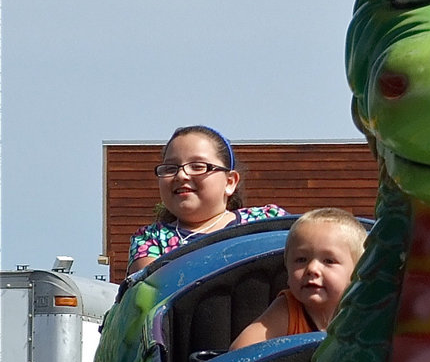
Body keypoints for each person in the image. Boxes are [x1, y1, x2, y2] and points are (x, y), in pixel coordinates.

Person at [127, 124, 287, 274]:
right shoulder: (151, 240)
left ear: (230, 182)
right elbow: (153, 289)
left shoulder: (268, 220)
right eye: (170, 168)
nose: (181, 175)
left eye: (198, 166)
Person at [230, 208, 368, 346]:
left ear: (357, 271)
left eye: (328, 261)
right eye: (301, 260)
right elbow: (241, 350)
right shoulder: (288, 310)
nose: (312, 269)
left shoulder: (362, 310)